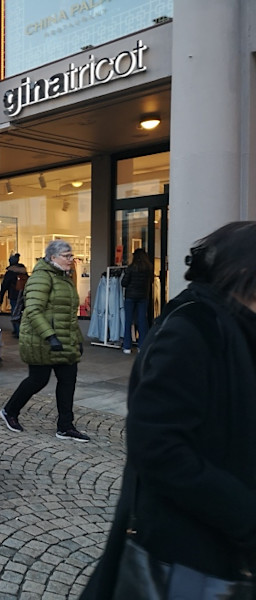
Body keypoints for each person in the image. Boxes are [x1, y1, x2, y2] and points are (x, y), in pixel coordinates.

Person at [80, 222, 256, 599]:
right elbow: (158, 446)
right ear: (244, 273)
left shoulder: (235, 324)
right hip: (188, 548)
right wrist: (245, 515)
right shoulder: (194, 327)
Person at [0, 240, 89, 442]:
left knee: (68, 381)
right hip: (42, 340)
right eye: (66, 256)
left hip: (64, 340)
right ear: (52, 257)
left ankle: (65, 426)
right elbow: (33, 311)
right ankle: (9, 411)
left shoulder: (64, 278)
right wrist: (50, 336)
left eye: (70, 255)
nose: (70, 259)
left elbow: (68, 314)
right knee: (38, 380)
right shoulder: (41, 277)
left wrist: (77, 339)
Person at [120, 248, 153, 354]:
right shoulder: (148, 268)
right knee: (142, 320)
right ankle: (142, 346)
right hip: (143, 297)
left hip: (130, 297)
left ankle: (127, 346)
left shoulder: (131, 268)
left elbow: (124, 283)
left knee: (128, 321)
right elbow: (151, 281)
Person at [0, 253, 29, 338]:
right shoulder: (24, 272)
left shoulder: (10, 273)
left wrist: (0, 297)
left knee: (14, 313)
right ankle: (20, 330)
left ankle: (17, 331)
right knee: (21, 314)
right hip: (24, 295)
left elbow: (4, 285)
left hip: (14, 295)